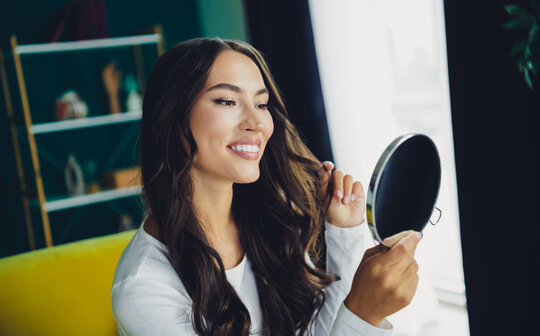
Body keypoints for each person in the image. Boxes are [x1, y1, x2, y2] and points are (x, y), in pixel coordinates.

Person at [111, 38, 421, 336]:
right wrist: (364, 313)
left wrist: (343, 233)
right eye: (227, 101)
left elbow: (317, 331)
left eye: (261, 104)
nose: (257, 123)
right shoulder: (144, 289)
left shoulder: (272, 219)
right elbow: (352, 321)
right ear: (172, 118)